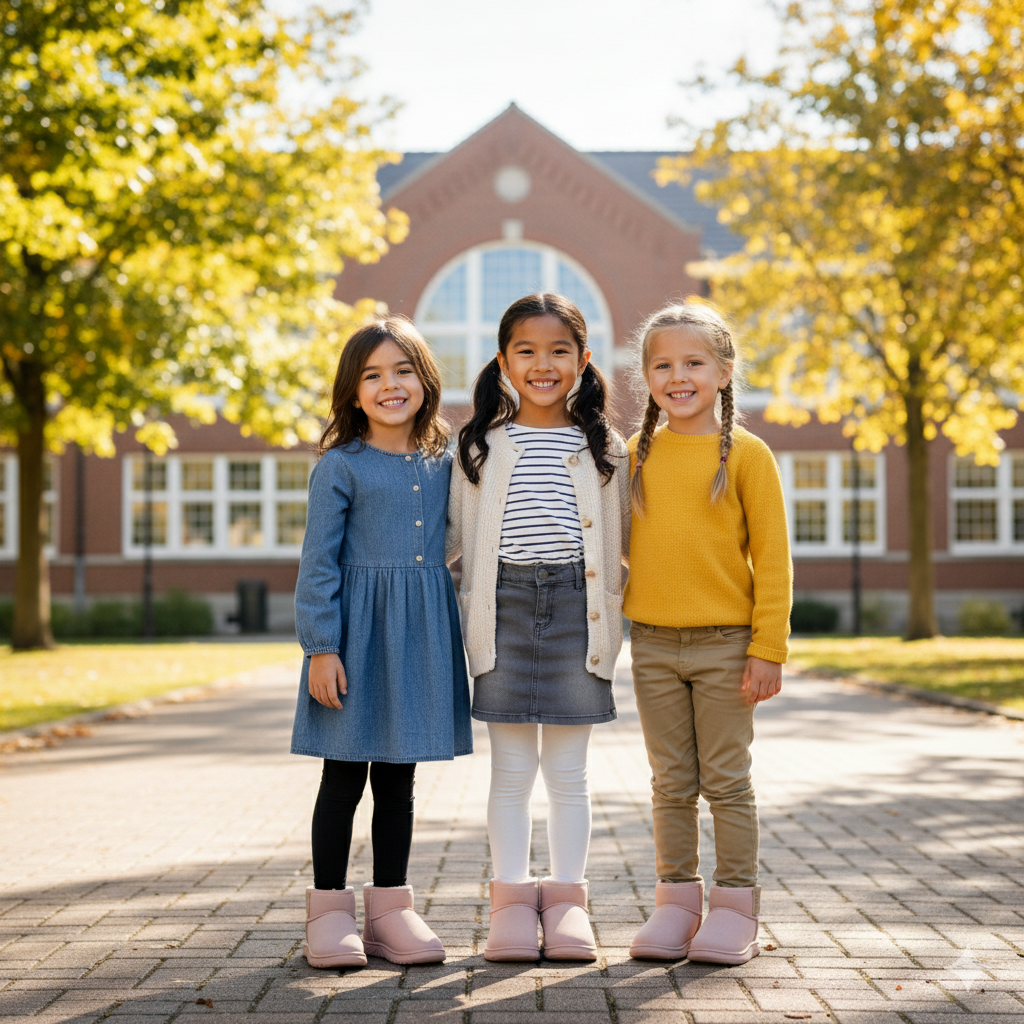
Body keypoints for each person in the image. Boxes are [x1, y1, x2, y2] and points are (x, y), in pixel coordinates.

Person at [447, 292, 630, 962]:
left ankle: (570, 904)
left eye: (559, 351)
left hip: (579, 614)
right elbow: (446, 542)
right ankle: (511, 906)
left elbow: (629, 541)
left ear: (583, 361)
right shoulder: (479, 446)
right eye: (526, 351)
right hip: (504, 610)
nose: (543, 364)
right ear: (502, 361)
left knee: (570, 773)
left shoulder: (605, 447)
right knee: (512, 769)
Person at [291, 317, 472, 968]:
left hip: (420, 633)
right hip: (354, 637)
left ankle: (392, 913)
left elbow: (459, 539)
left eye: (402, 371)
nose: (390, 385)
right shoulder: (341, 467)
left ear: (425, 381)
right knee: (342, 779)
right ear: (353, 390)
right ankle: (329, 914)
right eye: (372, 375)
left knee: (400, 782)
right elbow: (318, 564)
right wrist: (321, 647)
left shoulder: (446, 462)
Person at [625, 301, 792, 965]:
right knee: (670, 782)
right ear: (646, 378)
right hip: (653, 645)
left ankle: (735, 907)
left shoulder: (749, 456)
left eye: (693, 362)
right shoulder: (634, 454)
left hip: (727, 645)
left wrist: (767, 649)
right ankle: (675, 903)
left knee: (725, 780)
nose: (678, 375)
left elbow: (773, 560)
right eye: (662, 365)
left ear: (723, 372)